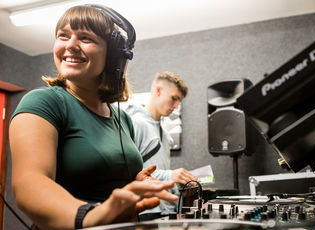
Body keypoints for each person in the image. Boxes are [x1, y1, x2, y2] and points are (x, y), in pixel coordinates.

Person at [8, 5, 178, 230]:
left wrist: (134, 186)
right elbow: (30, 185)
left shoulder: (122, 119)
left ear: (113, 57)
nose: (70, 45)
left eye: (86, 38)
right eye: (63, 36)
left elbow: (111, 189)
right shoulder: (43, 103)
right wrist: (90, 216)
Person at [126, 72, 197, 215]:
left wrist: (180, 186)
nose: (176, 106)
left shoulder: (164, 132)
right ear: (158, 90)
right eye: (174, 99)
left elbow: (157, 173)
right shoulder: (135, 123)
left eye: (179, 101)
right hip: (145, 211)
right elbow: (129, 174)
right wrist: (171, 176)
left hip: (166, 210)